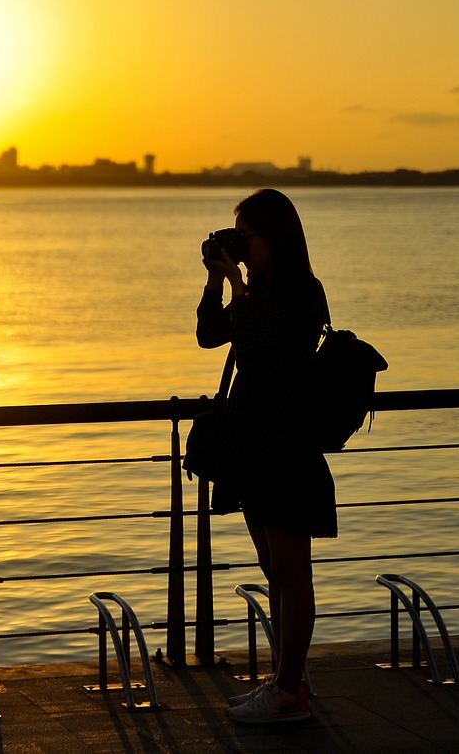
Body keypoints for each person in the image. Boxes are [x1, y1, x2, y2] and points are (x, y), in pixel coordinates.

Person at [195, 188, 335, 724]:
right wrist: (217, 281)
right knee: (272, 569)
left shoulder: (302, 292)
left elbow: (258, 344)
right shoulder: (258, 289)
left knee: (292, 572)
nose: (239, 248)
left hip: (287, 442)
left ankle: (288, 691)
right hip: (252, 440)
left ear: (275, 237)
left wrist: (236, 284)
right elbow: (209, 335)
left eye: (245, 238)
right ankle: (286, 681)